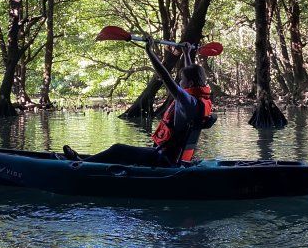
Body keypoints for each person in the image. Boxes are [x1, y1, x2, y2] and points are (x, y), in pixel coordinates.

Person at [63, 37, 215, 166]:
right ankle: (86, 161)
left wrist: (149, 51)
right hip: (175, 158)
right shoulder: (199, 99)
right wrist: (187, 54)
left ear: (188, 84)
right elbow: (190, 73)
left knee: (118, 149)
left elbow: (165, 75)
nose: (179, 82)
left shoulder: (187, 100)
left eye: (182, 80)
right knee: (122, 153)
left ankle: (80, 165)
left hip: (165, 160)